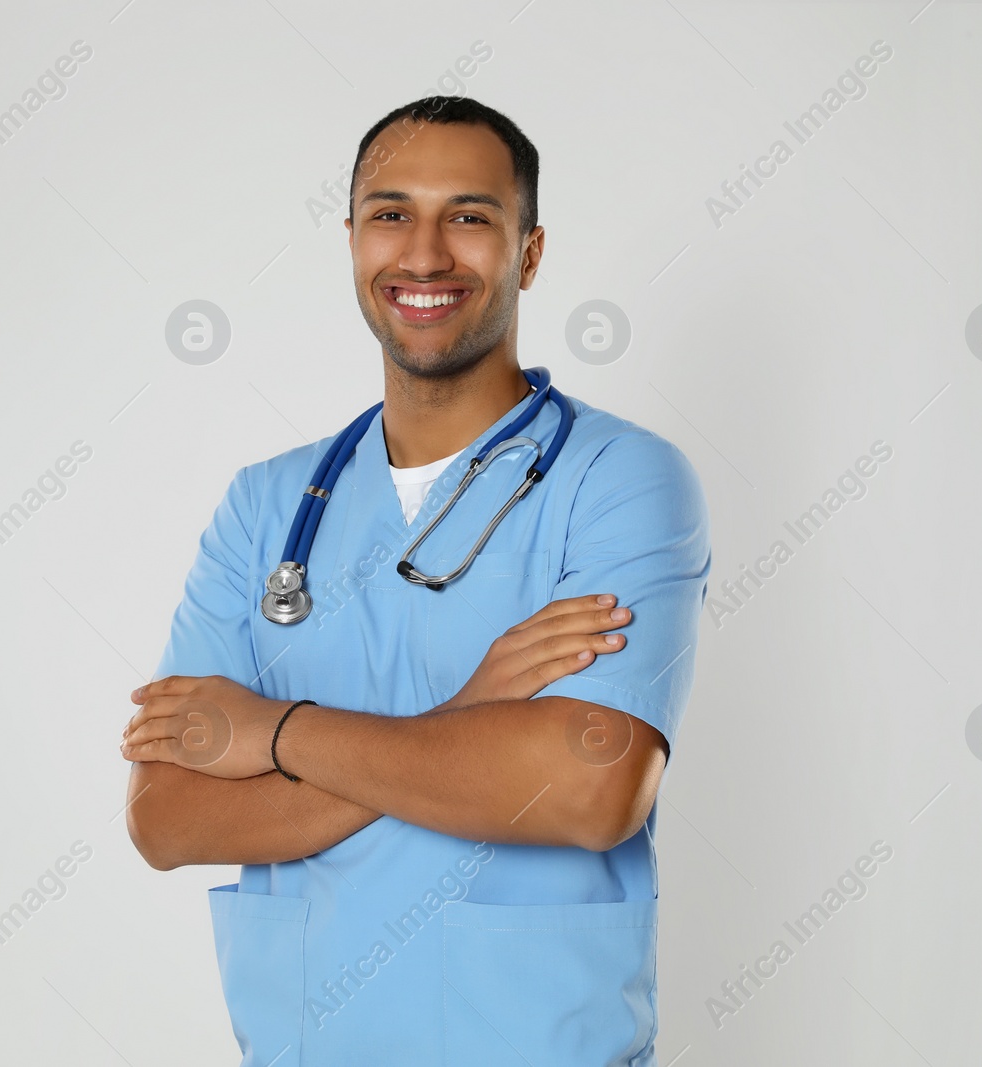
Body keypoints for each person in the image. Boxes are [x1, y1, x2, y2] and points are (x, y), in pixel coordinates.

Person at [122, 95, 712, 1066]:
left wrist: (273, 731)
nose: (426, 254)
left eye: (470, 216)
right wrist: (475, 717)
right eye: (391, 213)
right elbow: (166, 815)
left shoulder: (618, 478)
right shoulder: (267, 504)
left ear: (527, 252)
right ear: (351, 238)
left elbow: (590, 785)